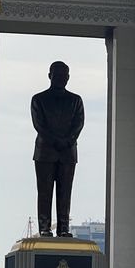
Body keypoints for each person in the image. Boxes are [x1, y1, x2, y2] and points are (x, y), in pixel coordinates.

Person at [31, 61, 85, 237]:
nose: (61, 79)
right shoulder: (38, 99)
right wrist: (57, 141)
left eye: (64, 75)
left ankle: (63, 228)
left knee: (65, 192)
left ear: (68, 78)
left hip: (67, 152)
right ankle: (44, 228)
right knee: (44, 192)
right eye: (57, 75)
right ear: (49, 76)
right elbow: (38, 124)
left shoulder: (76, 100)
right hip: (45, 152)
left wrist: (68, 141)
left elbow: (79, 123)